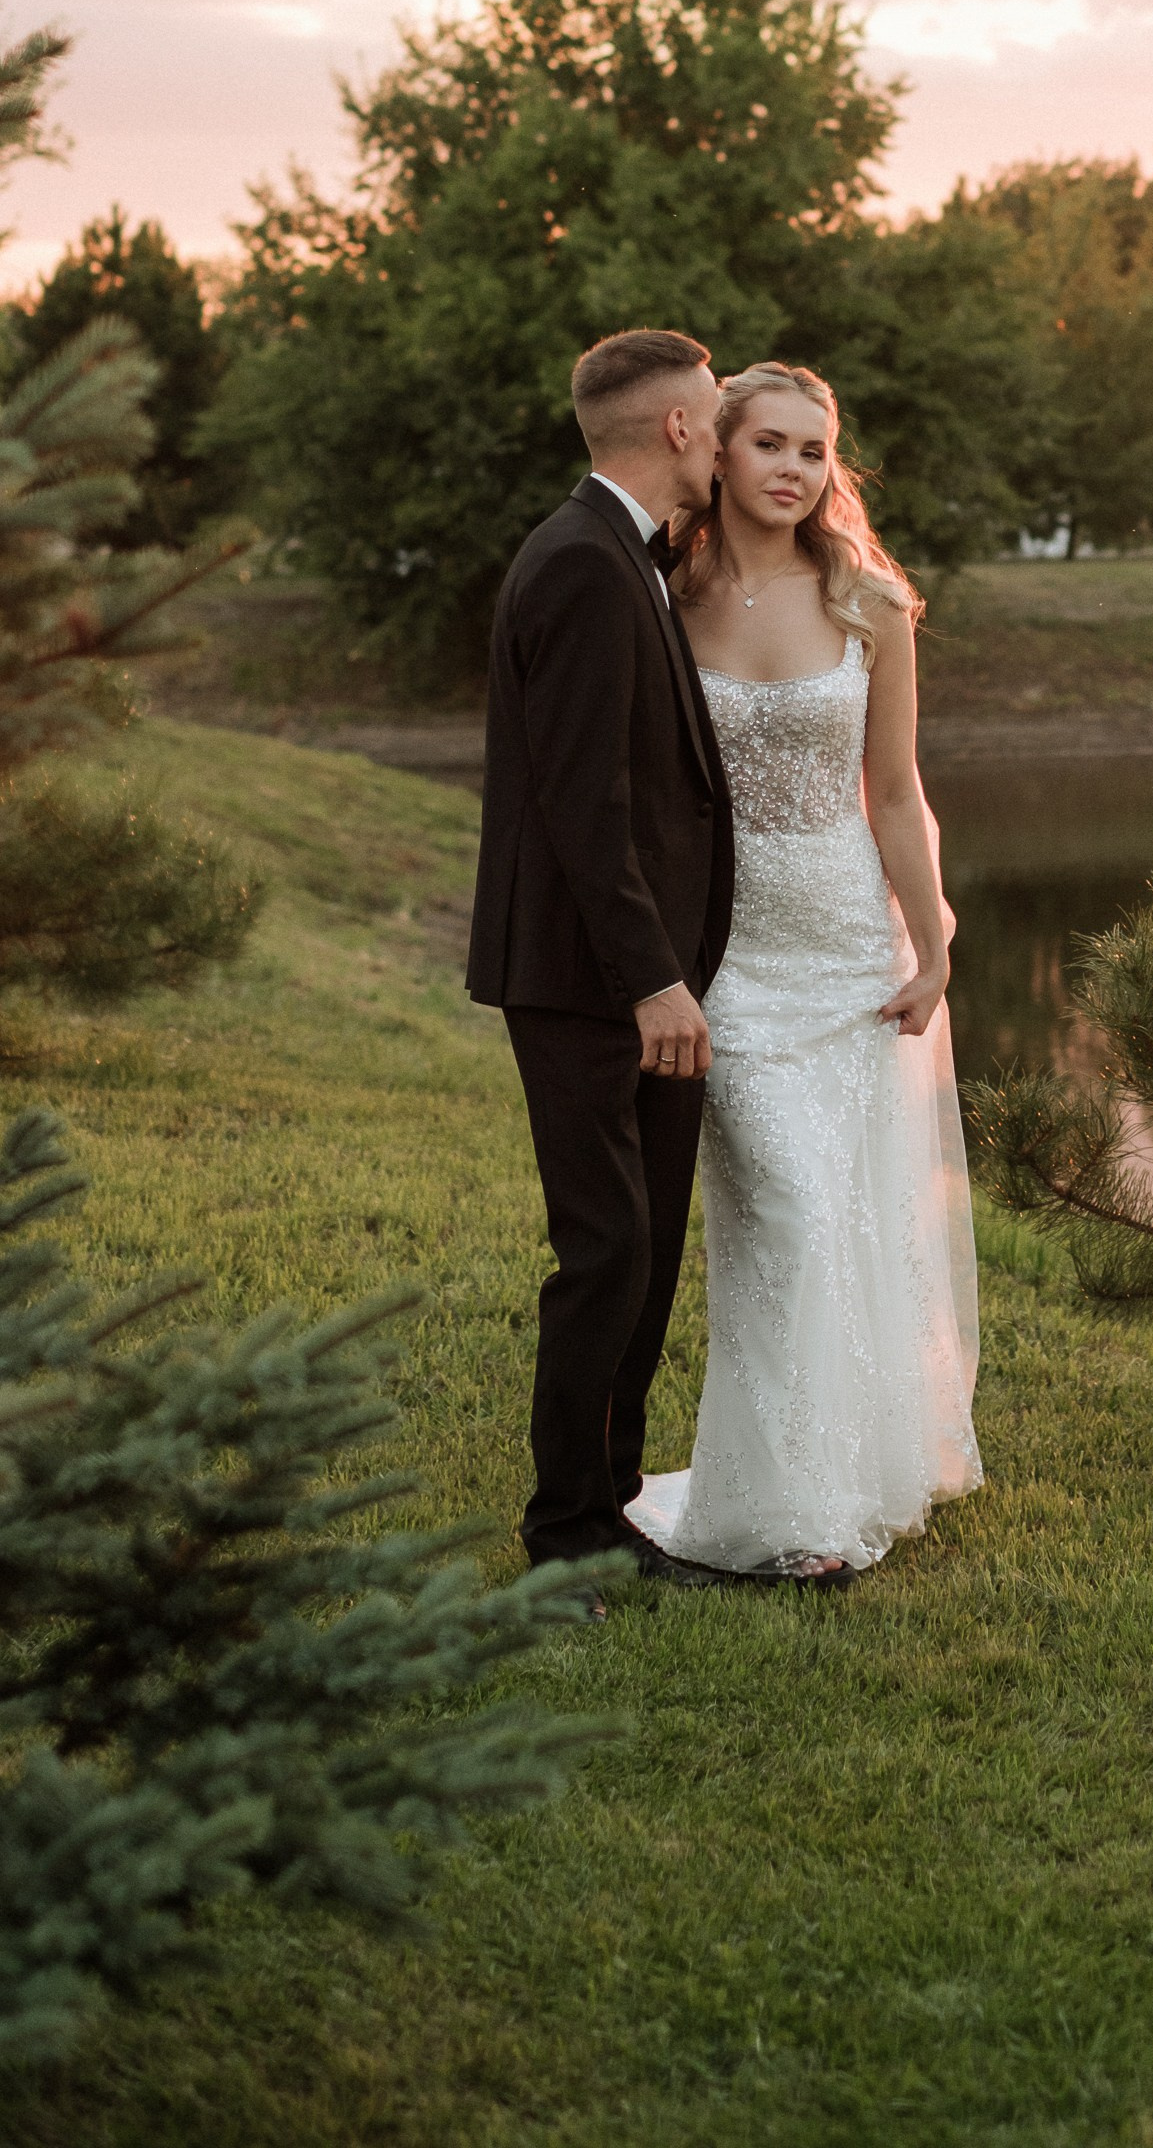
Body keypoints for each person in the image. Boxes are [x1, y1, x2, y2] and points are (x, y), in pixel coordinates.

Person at [627, 359, 982, 1587]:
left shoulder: (870, 601)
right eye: (768, 444)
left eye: (813, 451)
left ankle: (832, 1487)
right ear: (714, 453)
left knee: (848, 1207)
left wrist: (929, 940)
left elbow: (892, 789)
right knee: (781, 1207)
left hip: (843, 941)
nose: (792, 469)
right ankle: (778, 1498)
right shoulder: (661, 593)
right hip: (723, 952)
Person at [467, 328, 733, 1585]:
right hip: (587, 978)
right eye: (720, 411)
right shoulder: (577, 564)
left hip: (644, 973)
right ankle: (561, 1537)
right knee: (607, 1249)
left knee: (651, 1239)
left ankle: (615, 1507)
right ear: (677, 425)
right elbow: (581, 804)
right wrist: (649, 976)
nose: (730, 433)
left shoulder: (628, 555)